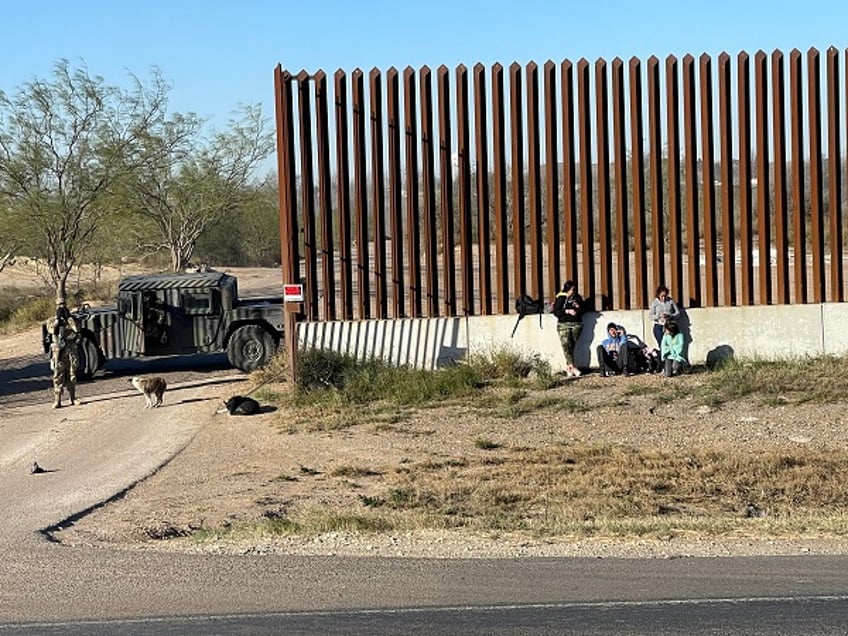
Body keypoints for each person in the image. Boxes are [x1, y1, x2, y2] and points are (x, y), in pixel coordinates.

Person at [45, 299, 80, 408]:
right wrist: (57, 321)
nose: (62, 307)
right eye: (59, 305)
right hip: (58, 351)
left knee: (72, 373)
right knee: (58, 375)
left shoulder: (72, 319)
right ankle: (57, 400)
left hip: (70, 349)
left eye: (64, 305)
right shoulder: (51, 320)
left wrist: (69, 319)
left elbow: (77, 329)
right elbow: (51, 330)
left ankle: (72, 398)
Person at [551, 280, 584, 377]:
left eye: (574, 289)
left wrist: (578, 307)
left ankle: (569, 367)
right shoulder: (561, 298)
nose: (573, 291)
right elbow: (556, 312)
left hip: (576, 324)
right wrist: (567, 311)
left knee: (571, 346)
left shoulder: (577, 298)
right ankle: (573, 366)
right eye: (572, 290)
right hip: (563, 324)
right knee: (565, 344)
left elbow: (583, 309)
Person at [648, 284, 680, 351]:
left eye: (665, 296)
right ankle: (663, 359)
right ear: (658, 295)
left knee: (671, 344)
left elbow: (678, 313)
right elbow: (650, 316)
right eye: (662, 296)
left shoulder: (670, 301)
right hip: (659, 326)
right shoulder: (654, 302)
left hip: (669, 325)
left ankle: (671, 359)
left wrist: (671, 316)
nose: (663, 298)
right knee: (662, 343)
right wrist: (659, 315)